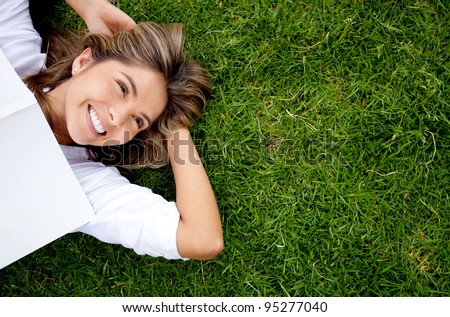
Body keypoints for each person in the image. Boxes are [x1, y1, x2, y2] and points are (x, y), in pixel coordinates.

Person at [0, 0, 223, 261]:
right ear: (84, 61)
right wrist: (88, 6)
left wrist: (174, 127)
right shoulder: (14, 54)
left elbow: (202, 239)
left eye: (138, 121)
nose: (118, 118)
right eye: (122, 88)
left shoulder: (82, 184)